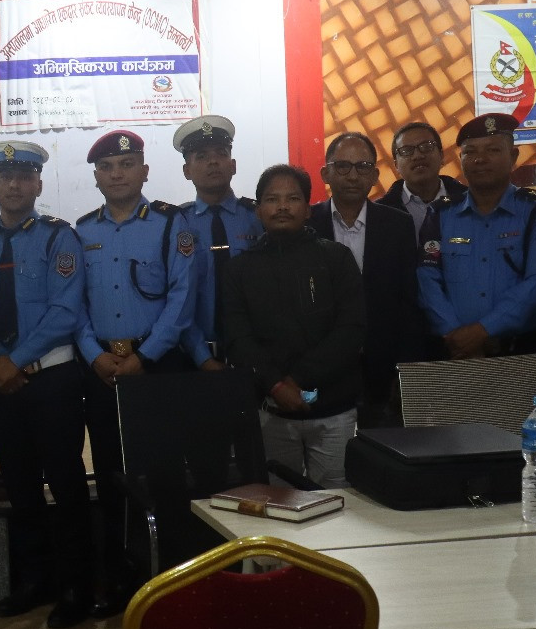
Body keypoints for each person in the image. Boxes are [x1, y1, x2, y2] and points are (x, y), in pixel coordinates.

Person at [75, 129, 195, 616]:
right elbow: (74, 305)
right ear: (96, 177)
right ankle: (118, 581)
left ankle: (168, 579)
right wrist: (93, 354)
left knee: (164, 477)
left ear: (144, 171)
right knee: (110, 478)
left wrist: (144, 358)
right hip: (103, 370)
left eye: (126, 165)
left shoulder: (170, 223)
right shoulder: (82, 231)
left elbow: (182, 299)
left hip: (157, 368)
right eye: (106, 167)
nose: (117, 174)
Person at [0, 141, 92, 629]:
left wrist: (15, 361)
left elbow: (65, 311)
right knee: (20, 485)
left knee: (66, 484)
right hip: (0, 383)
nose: (15, 185)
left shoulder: (59, 238)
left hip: (52, 381)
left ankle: (77, 586)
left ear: (38, 184)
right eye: (6, 177)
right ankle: (33, 581)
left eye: (24, 177)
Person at [222, 164, 365, 488]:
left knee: (337, 502)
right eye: (272, 199)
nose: (282, 207)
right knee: (279, 502)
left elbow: (351, 329)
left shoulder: (336, 258)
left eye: (293, 198)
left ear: (308, 208)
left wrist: (297, 380)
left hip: (333, 411)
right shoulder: (239, 270)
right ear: (259, 210)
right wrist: (275, 386)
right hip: (271, 411)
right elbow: (238, 339)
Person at [418, 114, 536, 386]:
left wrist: (482, 331)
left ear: (513, 156)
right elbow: (427, 278)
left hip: (521, 355)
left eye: (493, 150)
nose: (480, 159)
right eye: (470, 152)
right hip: (454, 355)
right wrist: (457, 338)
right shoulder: (440, 212)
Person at [310, 132, 421, 427]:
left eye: (362, 166)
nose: (352, 176)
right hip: (322, 366)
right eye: (342, 166)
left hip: (381, 364)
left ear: (374, 175)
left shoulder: (397, 224)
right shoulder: (307, 224)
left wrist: (405, 370)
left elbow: (408, 301)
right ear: (325, 173)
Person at [172, 115, 262, 370]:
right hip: (192, 359)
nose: (213, 161)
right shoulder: (177, 224)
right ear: (187, 171)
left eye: (221, 153)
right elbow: (176, 298)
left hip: (256, 355)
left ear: (233, 165)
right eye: (201, 156)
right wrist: (202, 357)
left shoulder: (257, 217)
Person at [378, 121, 468, 236]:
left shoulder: (470, 201)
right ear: (396, 165)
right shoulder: (379, 212)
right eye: (406, 150)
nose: (418, 156)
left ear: (441, 156)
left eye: (426, 147)